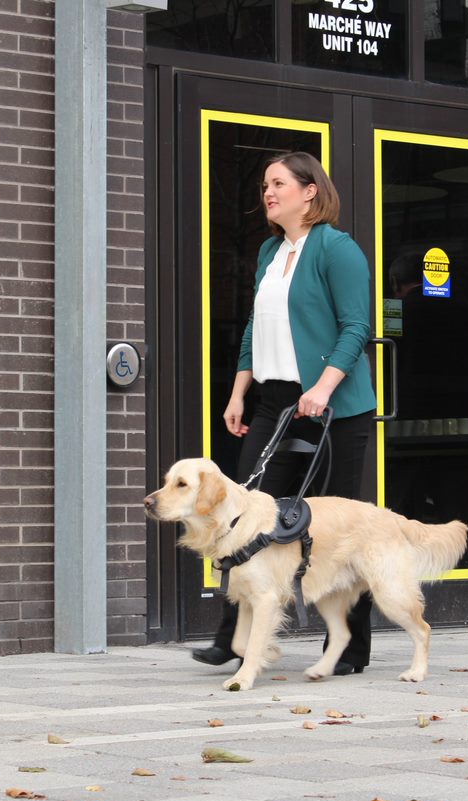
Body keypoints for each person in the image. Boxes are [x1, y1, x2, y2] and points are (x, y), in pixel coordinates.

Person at [192, 151, 377, 676]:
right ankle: (236, 639)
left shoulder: (337, 249)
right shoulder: (271, 252)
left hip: (335, 405)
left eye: (278, 184)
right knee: (247, 514)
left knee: (343, 528)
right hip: (276, 401)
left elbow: (356, 328)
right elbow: (256, 326)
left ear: (309, 191)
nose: (268, 193)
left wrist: (322, 387)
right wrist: (238, 393)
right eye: (265, 186)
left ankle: (350, 648)